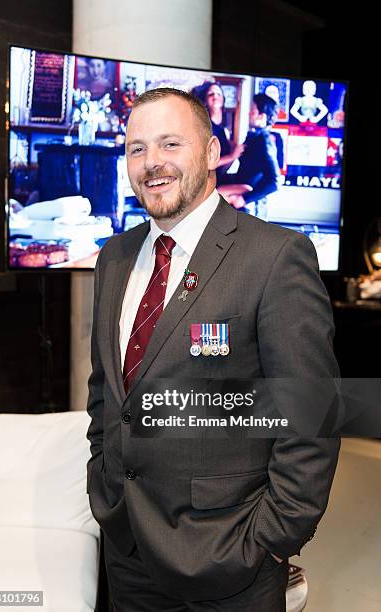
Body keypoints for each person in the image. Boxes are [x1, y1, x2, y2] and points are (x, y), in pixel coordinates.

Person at [86, 87, 340, 611]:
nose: (151, 162)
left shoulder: (276, 257)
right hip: (127, 544)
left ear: (210, 152)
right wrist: (104, 488)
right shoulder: (113, 257)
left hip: (230, 557)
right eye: (136, 148)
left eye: (170, 143)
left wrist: (271, 539)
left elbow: (312, 414)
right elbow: (105, 393)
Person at [218, 93, 281, 219]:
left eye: (252, 111)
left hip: (243, 198)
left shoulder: (265, 141)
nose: (249, 114)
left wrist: (244, 199)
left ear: (261, 116)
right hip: (237, 187)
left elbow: (275, 182)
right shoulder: (254, 136)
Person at [192, 81, 244, 182]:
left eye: (218, 94)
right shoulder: (204, 126)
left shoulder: (224, 127)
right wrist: (232, 156)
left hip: (221, 177)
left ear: (223, 99)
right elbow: (205, 164)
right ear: (206, 100)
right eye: (211, 94)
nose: (215, 96)